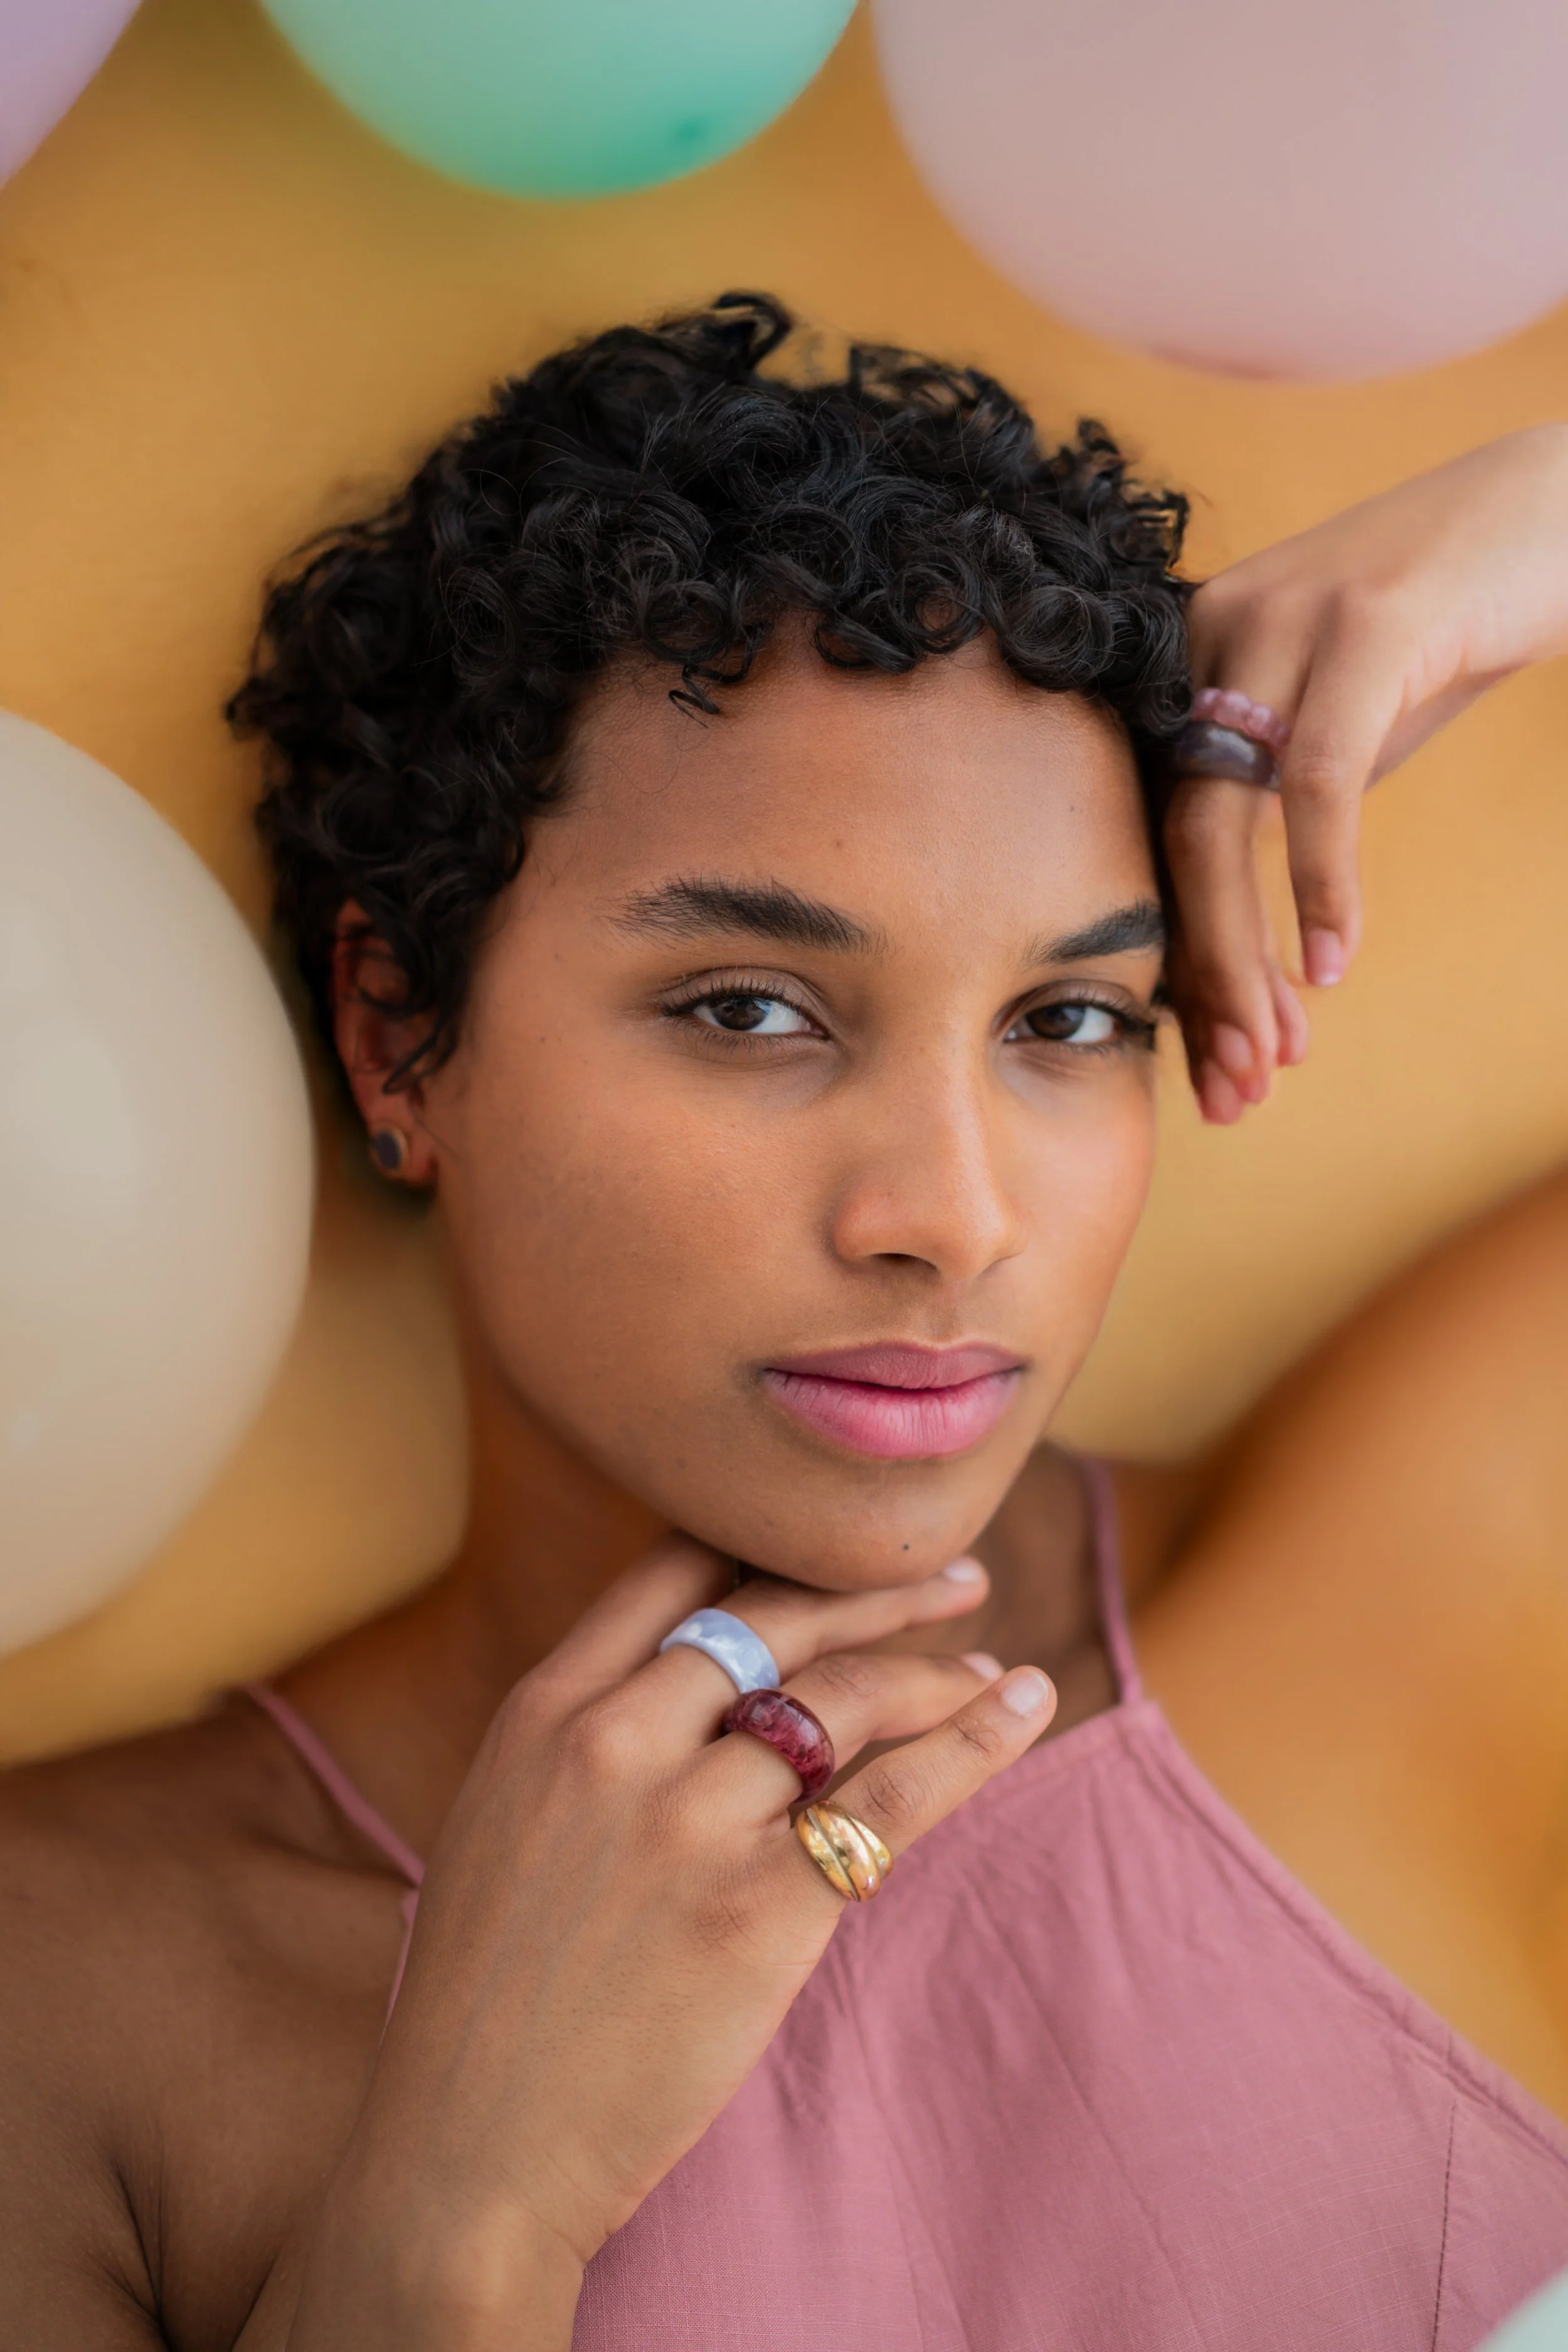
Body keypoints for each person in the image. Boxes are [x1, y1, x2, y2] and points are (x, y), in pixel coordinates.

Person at [1, 294, 1565, 2351]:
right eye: (751, 1008)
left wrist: (1519, 526)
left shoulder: (1410, 1575)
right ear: (402, 1032)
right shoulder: (67, 1992)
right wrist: (459, 2211)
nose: (953, 1217)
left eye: (1068, 1019)